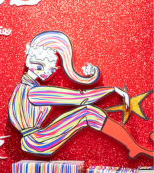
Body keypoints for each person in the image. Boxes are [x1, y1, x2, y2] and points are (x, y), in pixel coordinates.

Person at [8, 30, 152, 158]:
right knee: (89, 112)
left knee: (89, 112)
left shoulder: (22, 89)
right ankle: (133, 147)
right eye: (41, 67)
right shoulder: (34, 92)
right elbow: (80, 98)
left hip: (34, 139)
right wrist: (113, 90)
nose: (46, 73)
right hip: (38, 141)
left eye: (52, 70)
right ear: (29, 62)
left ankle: (133, 147)